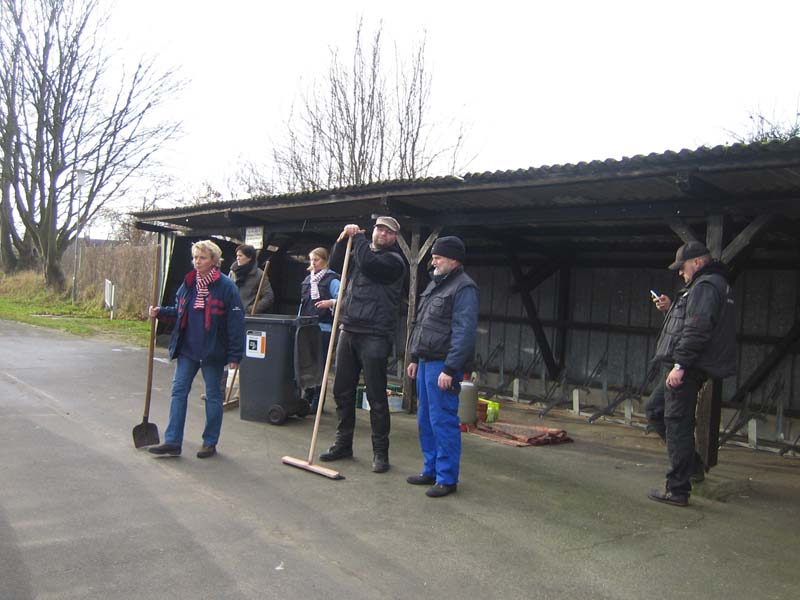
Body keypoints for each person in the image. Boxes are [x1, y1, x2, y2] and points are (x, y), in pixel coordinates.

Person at [645, 241, 736, 506]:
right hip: (686, 364)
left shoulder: (706, 286)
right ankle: (692, 466)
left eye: (682, 267)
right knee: (655, 410)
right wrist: (671, 307)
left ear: (697, 262)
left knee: (677, 423)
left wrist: (680, 365)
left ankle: (677, 489)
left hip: (687, 366)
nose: (680, 273)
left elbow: (698, 329)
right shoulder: (711, 285)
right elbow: (694, 319)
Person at [319, 216, 407, 473]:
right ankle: (343, 443)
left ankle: (381, 453)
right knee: (342, 391)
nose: (382, 234)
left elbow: (369, 264)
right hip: (349, 328)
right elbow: (336, 265)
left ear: (394, 238)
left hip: (376, 334)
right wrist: (342, 240)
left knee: (376, 396)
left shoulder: (394, 261)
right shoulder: (359, 251)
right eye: (379, 228)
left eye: (388, 232)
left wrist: (357, 238)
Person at [148, 240, 245, 459]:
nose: (197, 262)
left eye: (202, 258)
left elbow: (236, 322)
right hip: (188, 349)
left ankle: (209, 442)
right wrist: (160, 311)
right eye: (194, 257)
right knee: (178, 392)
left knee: (213, 396)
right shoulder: (189, 283)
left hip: (213, 351)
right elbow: (180, 310)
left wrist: (235, 355)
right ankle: (172, 441)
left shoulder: (226, 286)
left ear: (214, 260)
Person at [406, 236, 479, 498]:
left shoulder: (464, 288)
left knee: (443, 421)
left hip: (442, 365)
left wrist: (450, 368)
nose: (433, 260)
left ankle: (447, 478)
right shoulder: (435, 284)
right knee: (426, 420)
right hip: (425, 361)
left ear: (453, 259)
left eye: (437, 256)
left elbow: (464, 332)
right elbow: (421, 324)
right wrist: (414, 357)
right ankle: (431, 470)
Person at [299, 247, 341, 413]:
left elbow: (342, 298)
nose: (313, 263)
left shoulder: (332, 279)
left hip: (323, 328)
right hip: (306, 327)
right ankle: (306, 398)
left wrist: (330, 302)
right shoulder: (308, 280)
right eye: (311, 260)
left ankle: (317, 402)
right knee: (308, 365)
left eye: (316, 260)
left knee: (320, 365)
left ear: (325, 260)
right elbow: (303, 304)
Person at [229, 244, 274, 314]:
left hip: (247, 317)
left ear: (249, 258)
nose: (237, 258)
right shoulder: (232, 272)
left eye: (240, 256)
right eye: (237, 255)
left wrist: (251, 309)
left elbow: (269, 297)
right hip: (230, 315)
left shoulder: (260, 275)